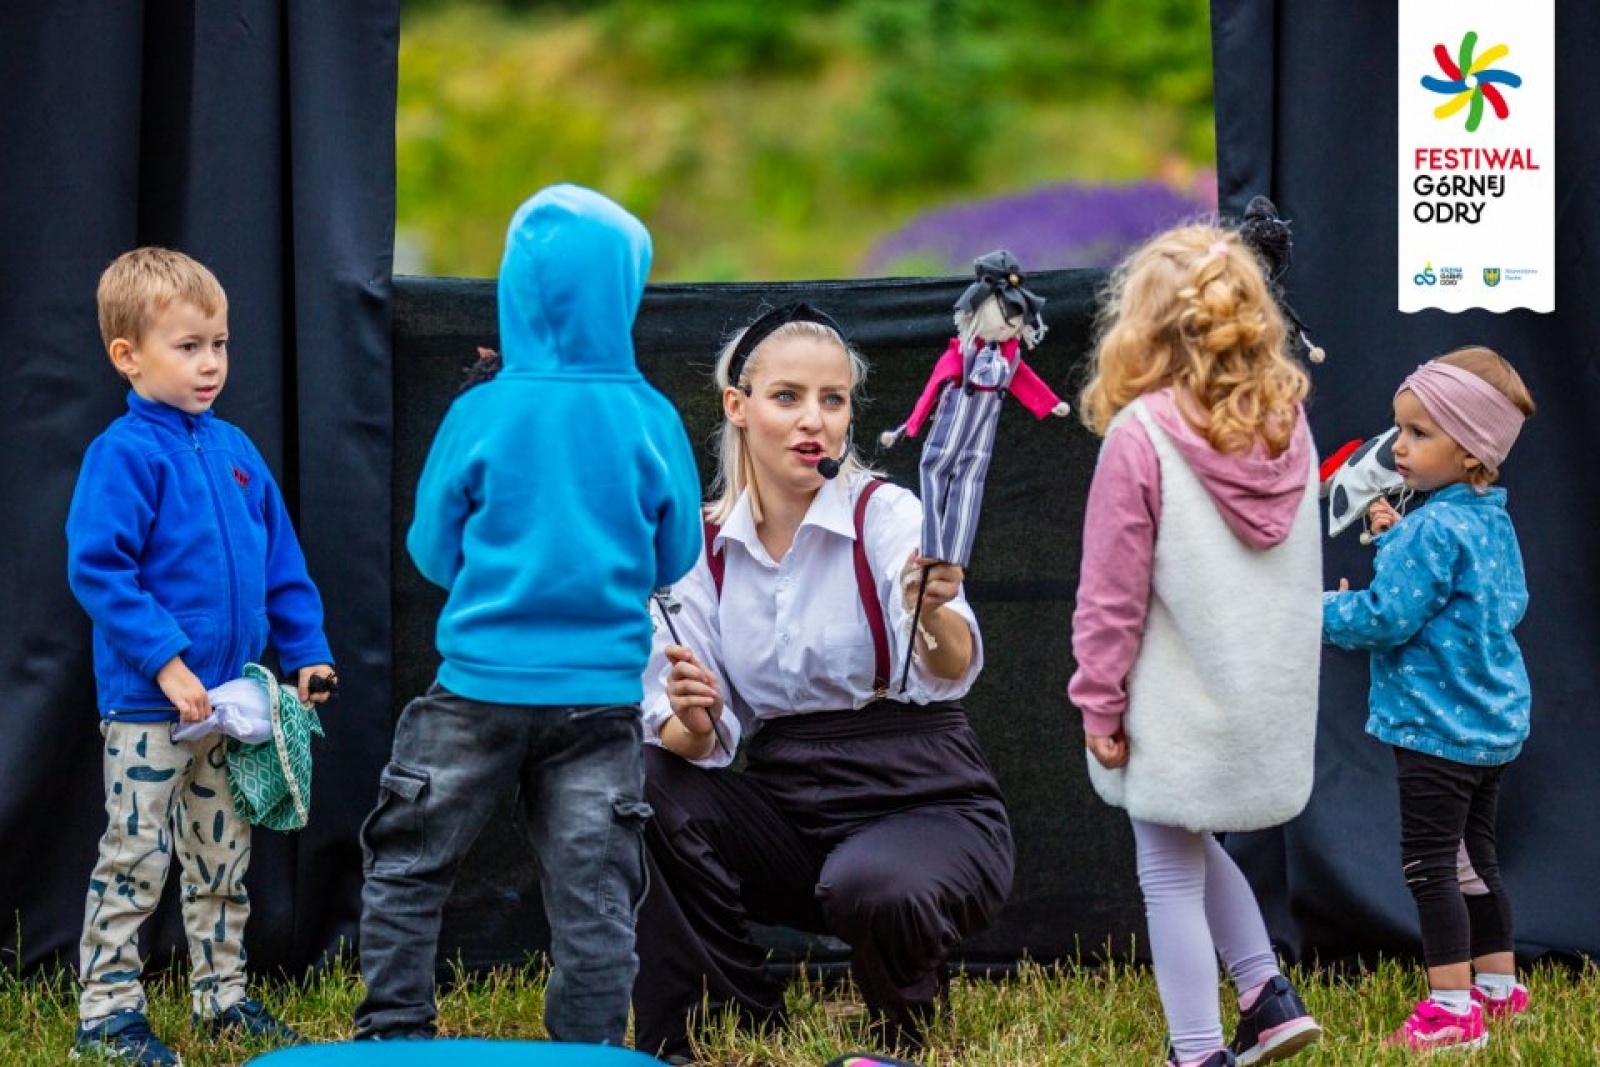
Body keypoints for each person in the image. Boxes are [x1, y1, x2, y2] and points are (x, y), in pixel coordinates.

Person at [352, 184, 703, 1046]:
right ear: (623, 289)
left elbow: (431, 551)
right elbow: (675, 558)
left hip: (475, 688)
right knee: (596, 897)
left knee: (409, 864)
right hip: (600, 703)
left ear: (514, 288)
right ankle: (589, 1051)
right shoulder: (651, 416)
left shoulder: (479, 409)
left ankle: (394, 1033)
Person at [631, 303, 1015, 1062]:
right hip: (792, 809)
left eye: (832, 400)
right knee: (639, 779)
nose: (815, 420)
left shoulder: (887, 514)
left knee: (869, 883)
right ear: (737, 406)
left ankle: (902, 1029)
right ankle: (730, 1012)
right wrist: (694, 718)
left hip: (926, 795)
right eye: (788, 396)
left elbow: (951, 664)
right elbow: (692, 740)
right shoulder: (700, 546)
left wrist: (933, 610)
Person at [66, 247, 336, 1066]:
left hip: (228, 707)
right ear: (128, 355)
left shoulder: (237, 449)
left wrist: (306, 650)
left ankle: (222, 999)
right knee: (136, 856)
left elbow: (281, 560)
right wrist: (166, 661)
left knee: (223, 857)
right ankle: (107, 1016)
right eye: (188, 346)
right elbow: (99, 569)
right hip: (149, 710)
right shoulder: (123, 454)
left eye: (219, 343)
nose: (211, 362)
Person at [1069, 225, 1325, 1067]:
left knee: (1167, 871)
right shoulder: (1287, 428)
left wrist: (1098, 703)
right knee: (1188, 844)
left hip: (1176, 703)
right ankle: (1265, 993)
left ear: (1140, 327)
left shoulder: (1140, 436)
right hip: (1263, 700)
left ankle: (1197, 1051)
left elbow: (1110, 598)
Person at [1324, 346, 1534, 1053]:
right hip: (1492, 725)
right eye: (1399, 429)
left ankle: (1450, 1009)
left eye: (1419, 432)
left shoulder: (1433, 528)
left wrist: (1315, 610)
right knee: (1476, 857)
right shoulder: (1488, 516)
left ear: (1472, 449)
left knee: (1430, 864)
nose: (1398, 447)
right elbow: (1498, 601)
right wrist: (1398, 539)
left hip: (1436, 729)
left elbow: (1385, 618)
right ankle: (1499, 990)